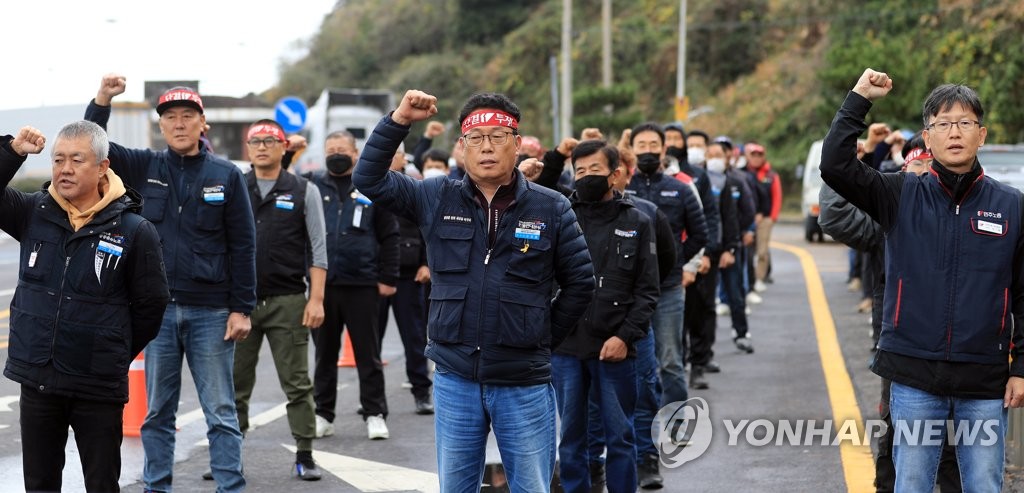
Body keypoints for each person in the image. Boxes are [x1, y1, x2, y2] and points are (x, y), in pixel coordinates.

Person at [353, 90, 595, 492]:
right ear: (461, 148)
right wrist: (399, 120)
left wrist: (541, 337)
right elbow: (368, 177)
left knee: (531, 487)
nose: (486, 147)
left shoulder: (551, 207)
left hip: (525, 382)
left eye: (497, 137)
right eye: (475, 139)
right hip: (455, 378)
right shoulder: (434, 195)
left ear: (517, 145)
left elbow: (580, 282)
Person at [820, 68, 1024, 493]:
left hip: (984, 381)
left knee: (984, 484)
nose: (955, 132)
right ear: (927, 138)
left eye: (965, 123)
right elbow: (835, 166)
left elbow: (1022, 294)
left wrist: (1020, 367)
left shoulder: (1011, 206)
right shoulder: (899, 194)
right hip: (912, 377)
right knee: (910, 483)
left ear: (981, 135)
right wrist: (859, 99)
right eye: (943, 124)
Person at [86, 74, 255, 493]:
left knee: (220, 410)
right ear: (161, 126)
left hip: (212, 312)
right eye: (171, 117)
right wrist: (102, 99)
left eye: (188, 116)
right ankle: (156, 487)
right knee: (157, 412)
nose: (179, 123)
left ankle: (230, 487)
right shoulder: (145, 166)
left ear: (203, 124)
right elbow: (93, 143)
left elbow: (244, 244)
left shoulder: (226, 175)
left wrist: (242, 308)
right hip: (156, 313)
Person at [1, 123, 169, 493]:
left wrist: (110, 350)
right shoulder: (33, 212)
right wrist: (12, 153)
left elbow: (151, 305)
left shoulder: (134, 230)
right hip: (38, 378)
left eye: (77, 160)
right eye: (58, 159)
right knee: (40, 483)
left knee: (101, 483)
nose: (65, 169)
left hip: (96, 384)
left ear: (103, 167)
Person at [551, 140, 659, 492]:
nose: (585, 177)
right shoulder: (561, 217)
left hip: (615, 348)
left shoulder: (638, 221)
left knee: (620, 437)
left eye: (594, 170)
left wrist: (625, 337)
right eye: (579, 171)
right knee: (571, 438)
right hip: (567, 347)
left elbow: (647, 291)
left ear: (615, 175)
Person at [232, 119, 328, 480]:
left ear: (284, 146)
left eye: (270, 141)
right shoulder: (235, 186)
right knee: (235, 385)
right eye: (255, 141)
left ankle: (305, 454)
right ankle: (230, 456)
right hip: (241, 303)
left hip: (288, 300)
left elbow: (319, 249)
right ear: (248, 148)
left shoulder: (303, 190)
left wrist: (315, 299)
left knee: (297, 383)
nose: (262, 147)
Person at [308, 130, 400, 440]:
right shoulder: (312, 186)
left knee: (368, 353)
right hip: (323, 285)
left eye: (341, 149)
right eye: (330, 149)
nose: (336, 154)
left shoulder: (371, 185)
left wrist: (388, 277)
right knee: (324, 355)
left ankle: (374, 412)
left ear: (355, 153)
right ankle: (323, 413)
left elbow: (389, 235)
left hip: (363, 283)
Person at [625, 122, 708, 412]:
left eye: (653, 146)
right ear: (632, 150)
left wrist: (674, 260)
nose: (647, 151)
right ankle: (637, 426)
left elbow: (700, 233)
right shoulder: (622, 188)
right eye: (641, 146)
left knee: (671, 359)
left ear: (663, 150)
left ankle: (677, 422)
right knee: (631, 360)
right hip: (626, 290)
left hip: (668, 288)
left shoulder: (681, 188)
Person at [378, 145, 435, 415]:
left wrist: (427, 263)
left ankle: (421, 392)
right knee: (370, 342)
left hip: (409, 273)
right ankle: (372, 398)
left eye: (395, 154)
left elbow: (428, 228)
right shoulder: (366, 185)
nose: (390, 159)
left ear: (403, 158)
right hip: (374, 275)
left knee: (414, 338)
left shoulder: (414, 188)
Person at [743, 141, 781, 293]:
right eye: (754, 155)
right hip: (748, 218)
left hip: (765, 219)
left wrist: (772, 218)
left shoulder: (771, 176)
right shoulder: (743, 173)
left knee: (762, 251)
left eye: (760, 155)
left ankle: (759, 278)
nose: (757, 158)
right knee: (747, 252)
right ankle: (749, 279)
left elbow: (777, 197)